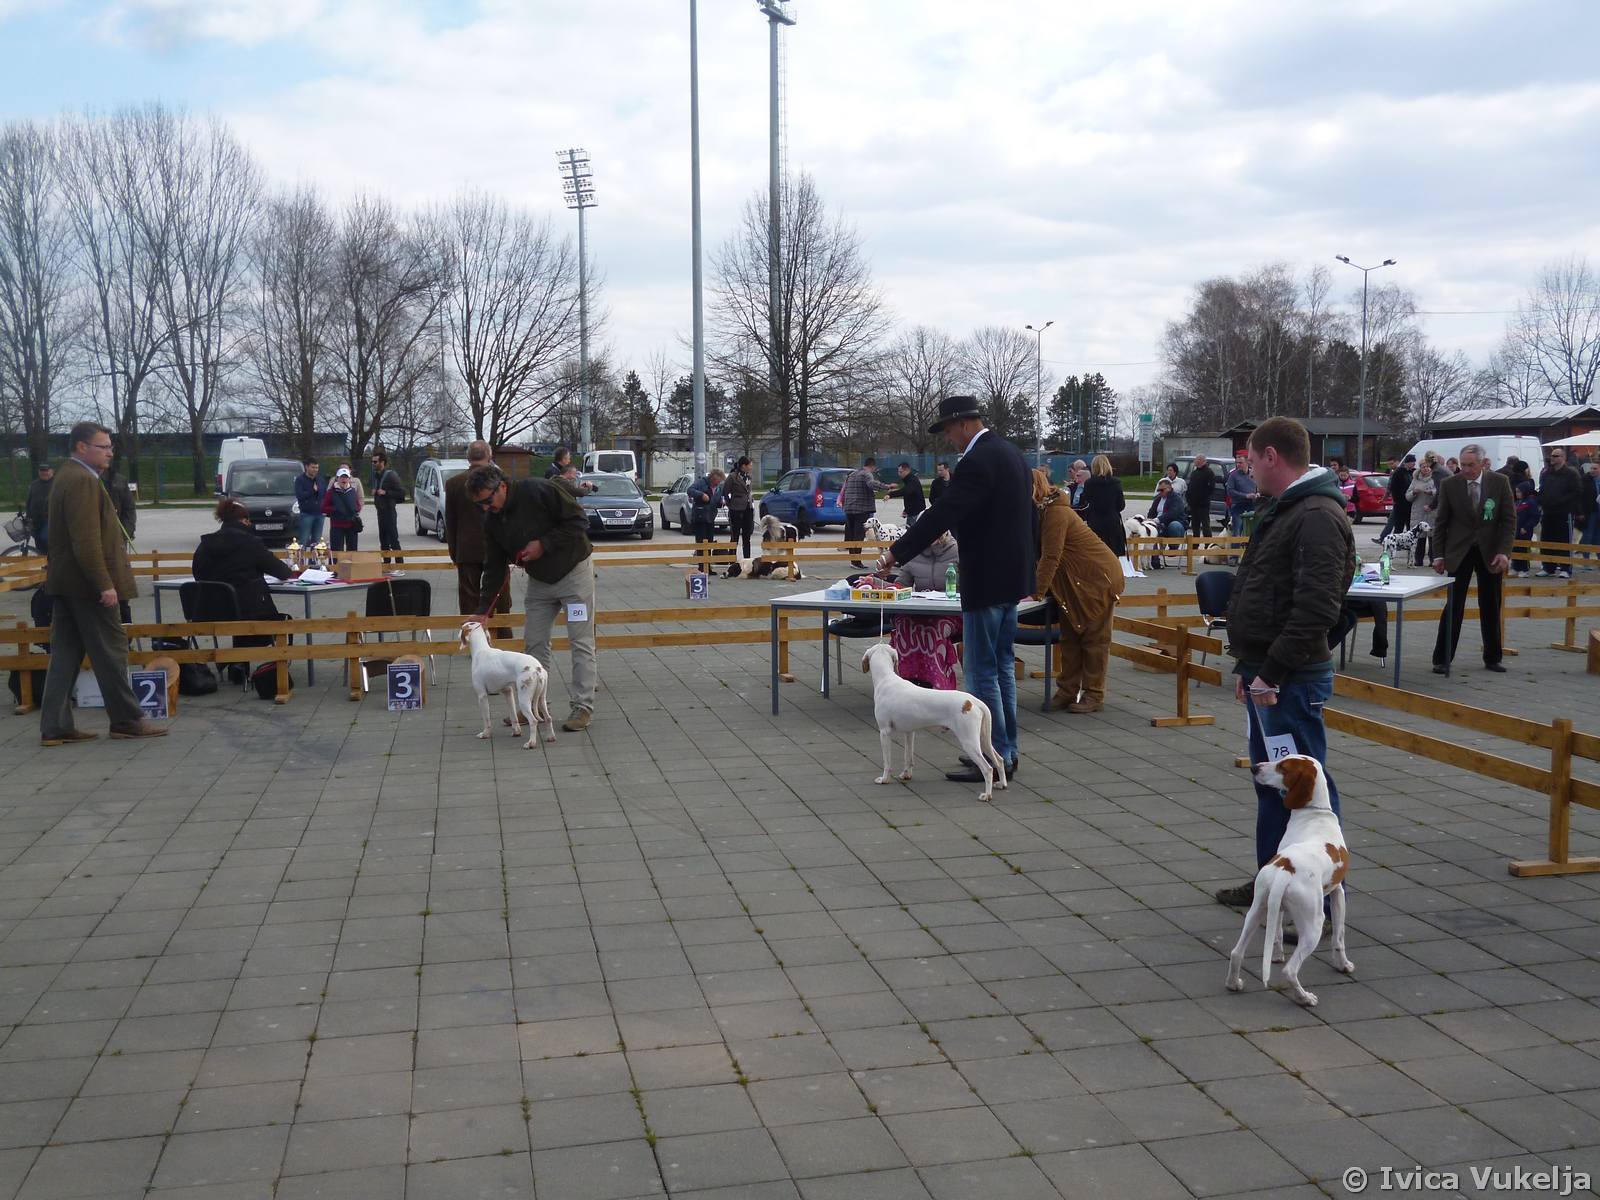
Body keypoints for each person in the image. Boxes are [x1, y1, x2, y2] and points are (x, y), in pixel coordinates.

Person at [1214, 416, 1351, 910]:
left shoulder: (1315, 515)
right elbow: (1263, 590)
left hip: (1289, 680)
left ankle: (1319, 898)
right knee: (1274, 787)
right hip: (1268, 674)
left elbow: (1317, 608)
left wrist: (1270, 672)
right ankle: (1270, 881)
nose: (1248, 470)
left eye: (1251, 460)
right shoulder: (1286, 508)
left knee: (1307, 793)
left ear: (1272, 456)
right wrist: (1249, 668)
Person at [875, 396, 1034, 782]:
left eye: (948, 430)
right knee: (1003, 667)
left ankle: (994, 757)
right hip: (1013, 578)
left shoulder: (977, 461)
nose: (949, 438)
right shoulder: (1013, 454)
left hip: (986, 579)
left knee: (981, 673)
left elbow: (943, 514)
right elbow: (1029, 517)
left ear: (964, 423)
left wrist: (896, 552)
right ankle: (1006, 750)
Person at [38, 422, 166, 745]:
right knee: (111, 651)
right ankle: (127, 720)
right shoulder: (82, 480)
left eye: (110, 447)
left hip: (66, 583)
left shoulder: (67, 476)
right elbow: (86, 541)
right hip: (87, 587)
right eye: (103, 446)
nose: (110, 452)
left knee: (65, 655)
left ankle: (55, 726)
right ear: (81, 447)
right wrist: (104, 584)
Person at [470, 463, 597, 732]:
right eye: (479, 504)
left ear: (501, 486)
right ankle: (534, 706)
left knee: (580, 641)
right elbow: (494, 566)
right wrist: (483, 610)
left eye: (487, 501)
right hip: (540, 582)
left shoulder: (539, 490)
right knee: (534, 643)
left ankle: (582, 707)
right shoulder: (492, 520)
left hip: (574, 574)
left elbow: (579, 521)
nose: (485, 508)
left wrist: (544, 544)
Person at [1033, 467, 1123, 713]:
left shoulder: (1055, 513)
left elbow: (1051, 556)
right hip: (1074, 583)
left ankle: (1094, 695)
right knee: (1070, 637)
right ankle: (1067, 691)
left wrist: (1036, 592)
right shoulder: (1043, 511)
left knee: (1095, 639)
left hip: (1097, 579)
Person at [1432, 443, 1515, 672]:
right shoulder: (1450, 484)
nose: (1466, 469)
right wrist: (1438, 555)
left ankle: (1492, 657)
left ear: (1483, 463)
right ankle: (1442, 659)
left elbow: (1508, 521)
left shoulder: (1500, 482)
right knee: (1454, 605)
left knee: (1491, 604)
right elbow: (1441, 522)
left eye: (1471, 465)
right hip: (1459, 551)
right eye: (1463, 465)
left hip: (1490, 552)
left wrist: (1504, 552)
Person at [193, 497, 294, 682]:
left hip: (211, 611)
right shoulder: (250, 543)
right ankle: (238, 661)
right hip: (250, 611)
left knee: (240, 606)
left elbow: (198, 574)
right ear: (244, 520)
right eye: (248, 520)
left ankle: (236, 662)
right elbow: (283, 572)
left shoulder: (206, 544)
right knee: (264, 614)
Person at [445, 441, 512, 626]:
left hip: (467, 549)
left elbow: (450, 522)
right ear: (489, 456)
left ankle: (473, 637)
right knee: (500, 598)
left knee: (469, 600)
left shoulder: (453, 483)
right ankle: (503, 636)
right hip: (498, 549)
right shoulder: (501, 480)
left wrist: (454, 553)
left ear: (468, 457)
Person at [888, 531, 961, 689]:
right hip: (920, 611)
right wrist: (879, 582)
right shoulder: (913, 553)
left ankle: (937, 682)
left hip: (952, 614)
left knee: (933, 629)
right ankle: (905, 681)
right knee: (903, 624)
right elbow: (901, 585)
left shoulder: (957, 551)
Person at [1536, 447, 1584, 579]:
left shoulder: (1571, 473)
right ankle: (1548, 567)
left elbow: (1577, 491)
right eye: (1552, 455)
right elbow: (1542, 488)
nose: (1552, 458)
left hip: (1563, 512)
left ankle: (1565, 568)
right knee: (1546, 539)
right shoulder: (1547, 473)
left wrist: (1561, 501)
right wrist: (1541, 500)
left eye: (1556, 456)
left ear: (1563, 458)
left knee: (1563, 540)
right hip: (1548, 511)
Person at [840, 455, 890, 568]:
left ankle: (853, 560)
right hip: (861, 509)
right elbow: (871, 484)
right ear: (872, 466)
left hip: (849, 508)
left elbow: (845, 490)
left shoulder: (851, 474)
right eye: (874, 468)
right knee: (859, 535)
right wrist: (887, 487)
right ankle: (857, 562)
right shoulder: (866, 474)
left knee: (851, 535)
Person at [1082, 455, 1125, 556]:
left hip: (1095, 522)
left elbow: (1086, 500)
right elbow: (1121, 505)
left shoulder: (1089, 483)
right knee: (1113, 553)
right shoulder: (1116, 483)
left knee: (1096, 553)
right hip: (1112, 522)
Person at [370, 450, 403, 564]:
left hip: (389, 511)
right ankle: (386, 564)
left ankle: (399, 565)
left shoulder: (391, 475)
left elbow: (401, 494)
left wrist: (386, 493)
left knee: (393, 539)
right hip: (380, 511)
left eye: (375, 462)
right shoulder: (376, 476)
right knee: (383, 540)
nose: (373, 464)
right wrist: (375, 492)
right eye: (372, 462)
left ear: (382, 462)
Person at [323, 466, 363, 551]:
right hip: (337, 526)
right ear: (337, 478)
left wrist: (355, 509)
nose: (343, 479)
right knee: (336, 551)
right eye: (341, 477)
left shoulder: (352, 491)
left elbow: (358, 506)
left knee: (352, 551)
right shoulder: (331, 492)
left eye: (346, 477)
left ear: (349, 479)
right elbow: (323, 507)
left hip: (351, 525)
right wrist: (335, 509)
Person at [1379, 453, 1415, 542]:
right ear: (1406, 463)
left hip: (1410, 502)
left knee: (1408, 523)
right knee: (1398, 523)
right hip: (1400, 502)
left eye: (1414, 462)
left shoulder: (1413, 472)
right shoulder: (1398, 472)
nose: (1413, 464)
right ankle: (1393, 541)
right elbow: (1392, 487)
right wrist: (1395, 500)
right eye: (1411, 462)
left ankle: (1407, 541)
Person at [725, 456, 755, 558]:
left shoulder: (748, 477)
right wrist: (730, 504)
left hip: (748, 508)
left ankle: (747, 559)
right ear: (743, 466)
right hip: (736, 509)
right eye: (749, 465)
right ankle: (732, 558)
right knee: (735, 535)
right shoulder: (733, 477)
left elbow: (748, 491)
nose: (751, 467)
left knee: (747, 536)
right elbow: (725, 492)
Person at [1510, 478, 1540, 578]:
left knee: (1524, 549)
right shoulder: (1517, 502)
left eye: (1519, 492)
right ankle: (1515, 567)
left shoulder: (1531, 502)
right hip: (1516, 530)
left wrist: (1526, 527)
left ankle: (1524, 569)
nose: (1517, 494)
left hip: (1525, 531)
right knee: (1515, 549)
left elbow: (1535, 517)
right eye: (1516, 492)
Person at [1225, 450, 1258, 540]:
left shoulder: (1253, 473)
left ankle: (1250, 549)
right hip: (1238, 506)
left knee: (1252, 532)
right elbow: (1230, 491)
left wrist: (1258, 493)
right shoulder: (1233, 476)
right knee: (1237, 532)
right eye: (1237, 463)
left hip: (1252, 506)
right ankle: (1235, 549)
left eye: (1240, 463)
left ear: (1247, 462)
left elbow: (1258, 487)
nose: (1238, 465)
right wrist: (1246, 496)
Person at [687, 468, 725, 545]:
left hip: (711, 518)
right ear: (712, 478)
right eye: (717, 481)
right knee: (701, 542)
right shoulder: (702, 482)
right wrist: (701, 495)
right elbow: (690, 490)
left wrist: (721, 502)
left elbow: (716, 500)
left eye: (720, 482)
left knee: (710, 541)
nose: (718, 484)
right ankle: (700, 552)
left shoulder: (718, 488)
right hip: (700, 517)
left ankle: (708, 553)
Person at [294, 459, 326, 547]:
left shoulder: (320, 479)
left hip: (319, 514)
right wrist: (312, 491)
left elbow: (324, 494)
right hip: (306, 514)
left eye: (317, 468)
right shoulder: (300, 480)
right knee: (303, 540)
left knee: (317, 542)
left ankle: (314, 557)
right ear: (306, 467)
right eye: (313, 467)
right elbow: (299, 495)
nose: (315, 470)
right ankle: (302, 556)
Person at [23, 461, 52, 555]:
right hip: (36, 520)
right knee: (38, 541)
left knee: (45, 538)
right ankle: (43, 561)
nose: (44, 472)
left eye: (46, 470)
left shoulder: (57, 483)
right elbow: (29, 501)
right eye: (42, 470)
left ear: (52, 471)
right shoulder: (34, 484)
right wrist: (28, 516)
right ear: (39, 472)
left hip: (50, 519)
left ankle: (51, 558)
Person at [1186, 454, 1215, 538]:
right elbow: (1191, 486)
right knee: (1195, 525)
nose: (1195, 461)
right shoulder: (1194, 473)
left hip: (1203, 504)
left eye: (1198, 459)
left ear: (1203, 461)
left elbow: (1211, 488)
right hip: (1193, 504)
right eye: (1195, 459)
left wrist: (1202, 499)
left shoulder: (1209, 472)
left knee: (1205, 524)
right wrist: (1189, 498)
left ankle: (1208, 543)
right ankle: (1195, 543)